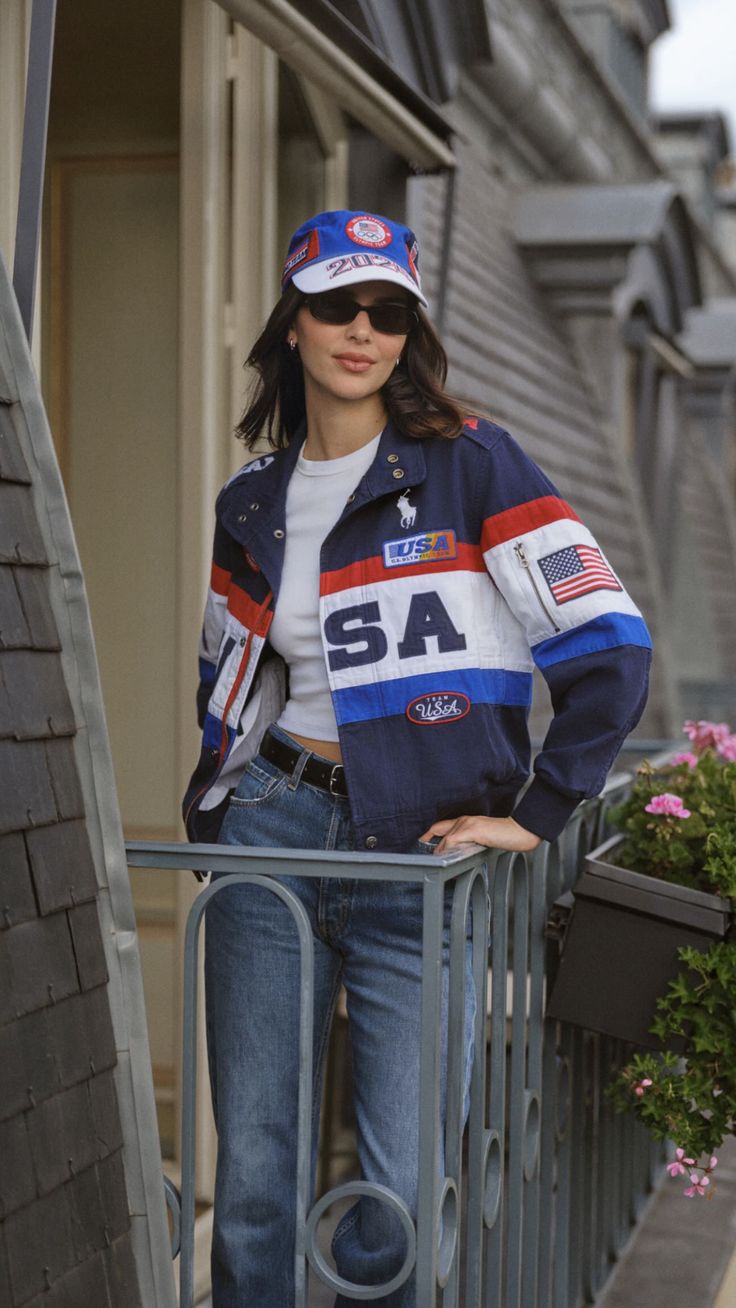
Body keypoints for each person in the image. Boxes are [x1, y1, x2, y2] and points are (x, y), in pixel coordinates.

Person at [183, 209, 652, 1306]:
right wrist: (219, 809)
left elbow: (611, 647)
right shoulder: (250, 503)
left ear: (409, 332)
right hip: (273, 836)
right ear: (290, 324)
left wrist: (535, 812)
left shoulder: (473, 466)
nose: (361, 329)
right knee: (255, 1172)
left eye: (387, 310)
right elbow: (232, 681)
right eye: (336, 305)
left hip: (422, 865)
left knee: (403, 1188)